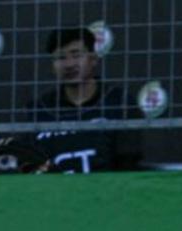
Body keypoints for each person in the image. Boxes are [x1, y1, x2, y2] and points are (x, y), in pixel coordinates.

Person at [26, 27, 138, 173]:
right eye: (61, 57)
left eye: (76, 55)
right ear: (52, 66)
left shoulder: (119, 102)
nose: (69, 64)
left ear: (93, 59)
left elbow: (129, 164)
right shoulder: (40, 108)